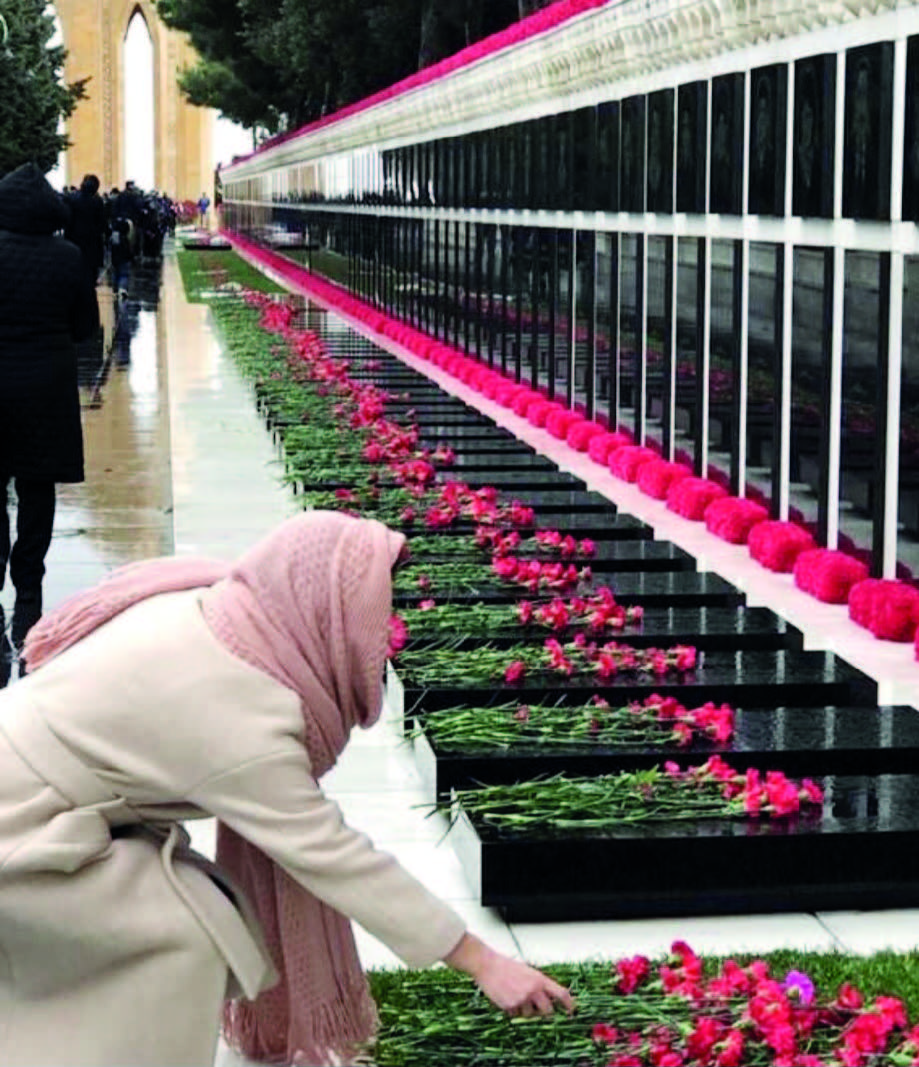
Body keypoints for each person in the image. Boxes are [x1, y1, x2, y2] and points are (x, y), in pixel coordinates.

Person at [0, 511, 572, 1066]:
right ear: (327, 614)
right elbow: (332, 855)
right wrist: (483, 961)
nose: (383, 637)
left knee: (189, 904)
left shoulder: (212, 610)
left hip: (38, 798)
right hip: (20, 828)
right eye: (373, 615)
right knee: (189, 937)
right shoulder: (239, 712)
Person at [0, 162, 99, 651]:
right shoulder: (69, 257)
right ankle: (29, 592)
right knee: (37, 492)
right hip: (46, 390)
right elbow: (86, 328)